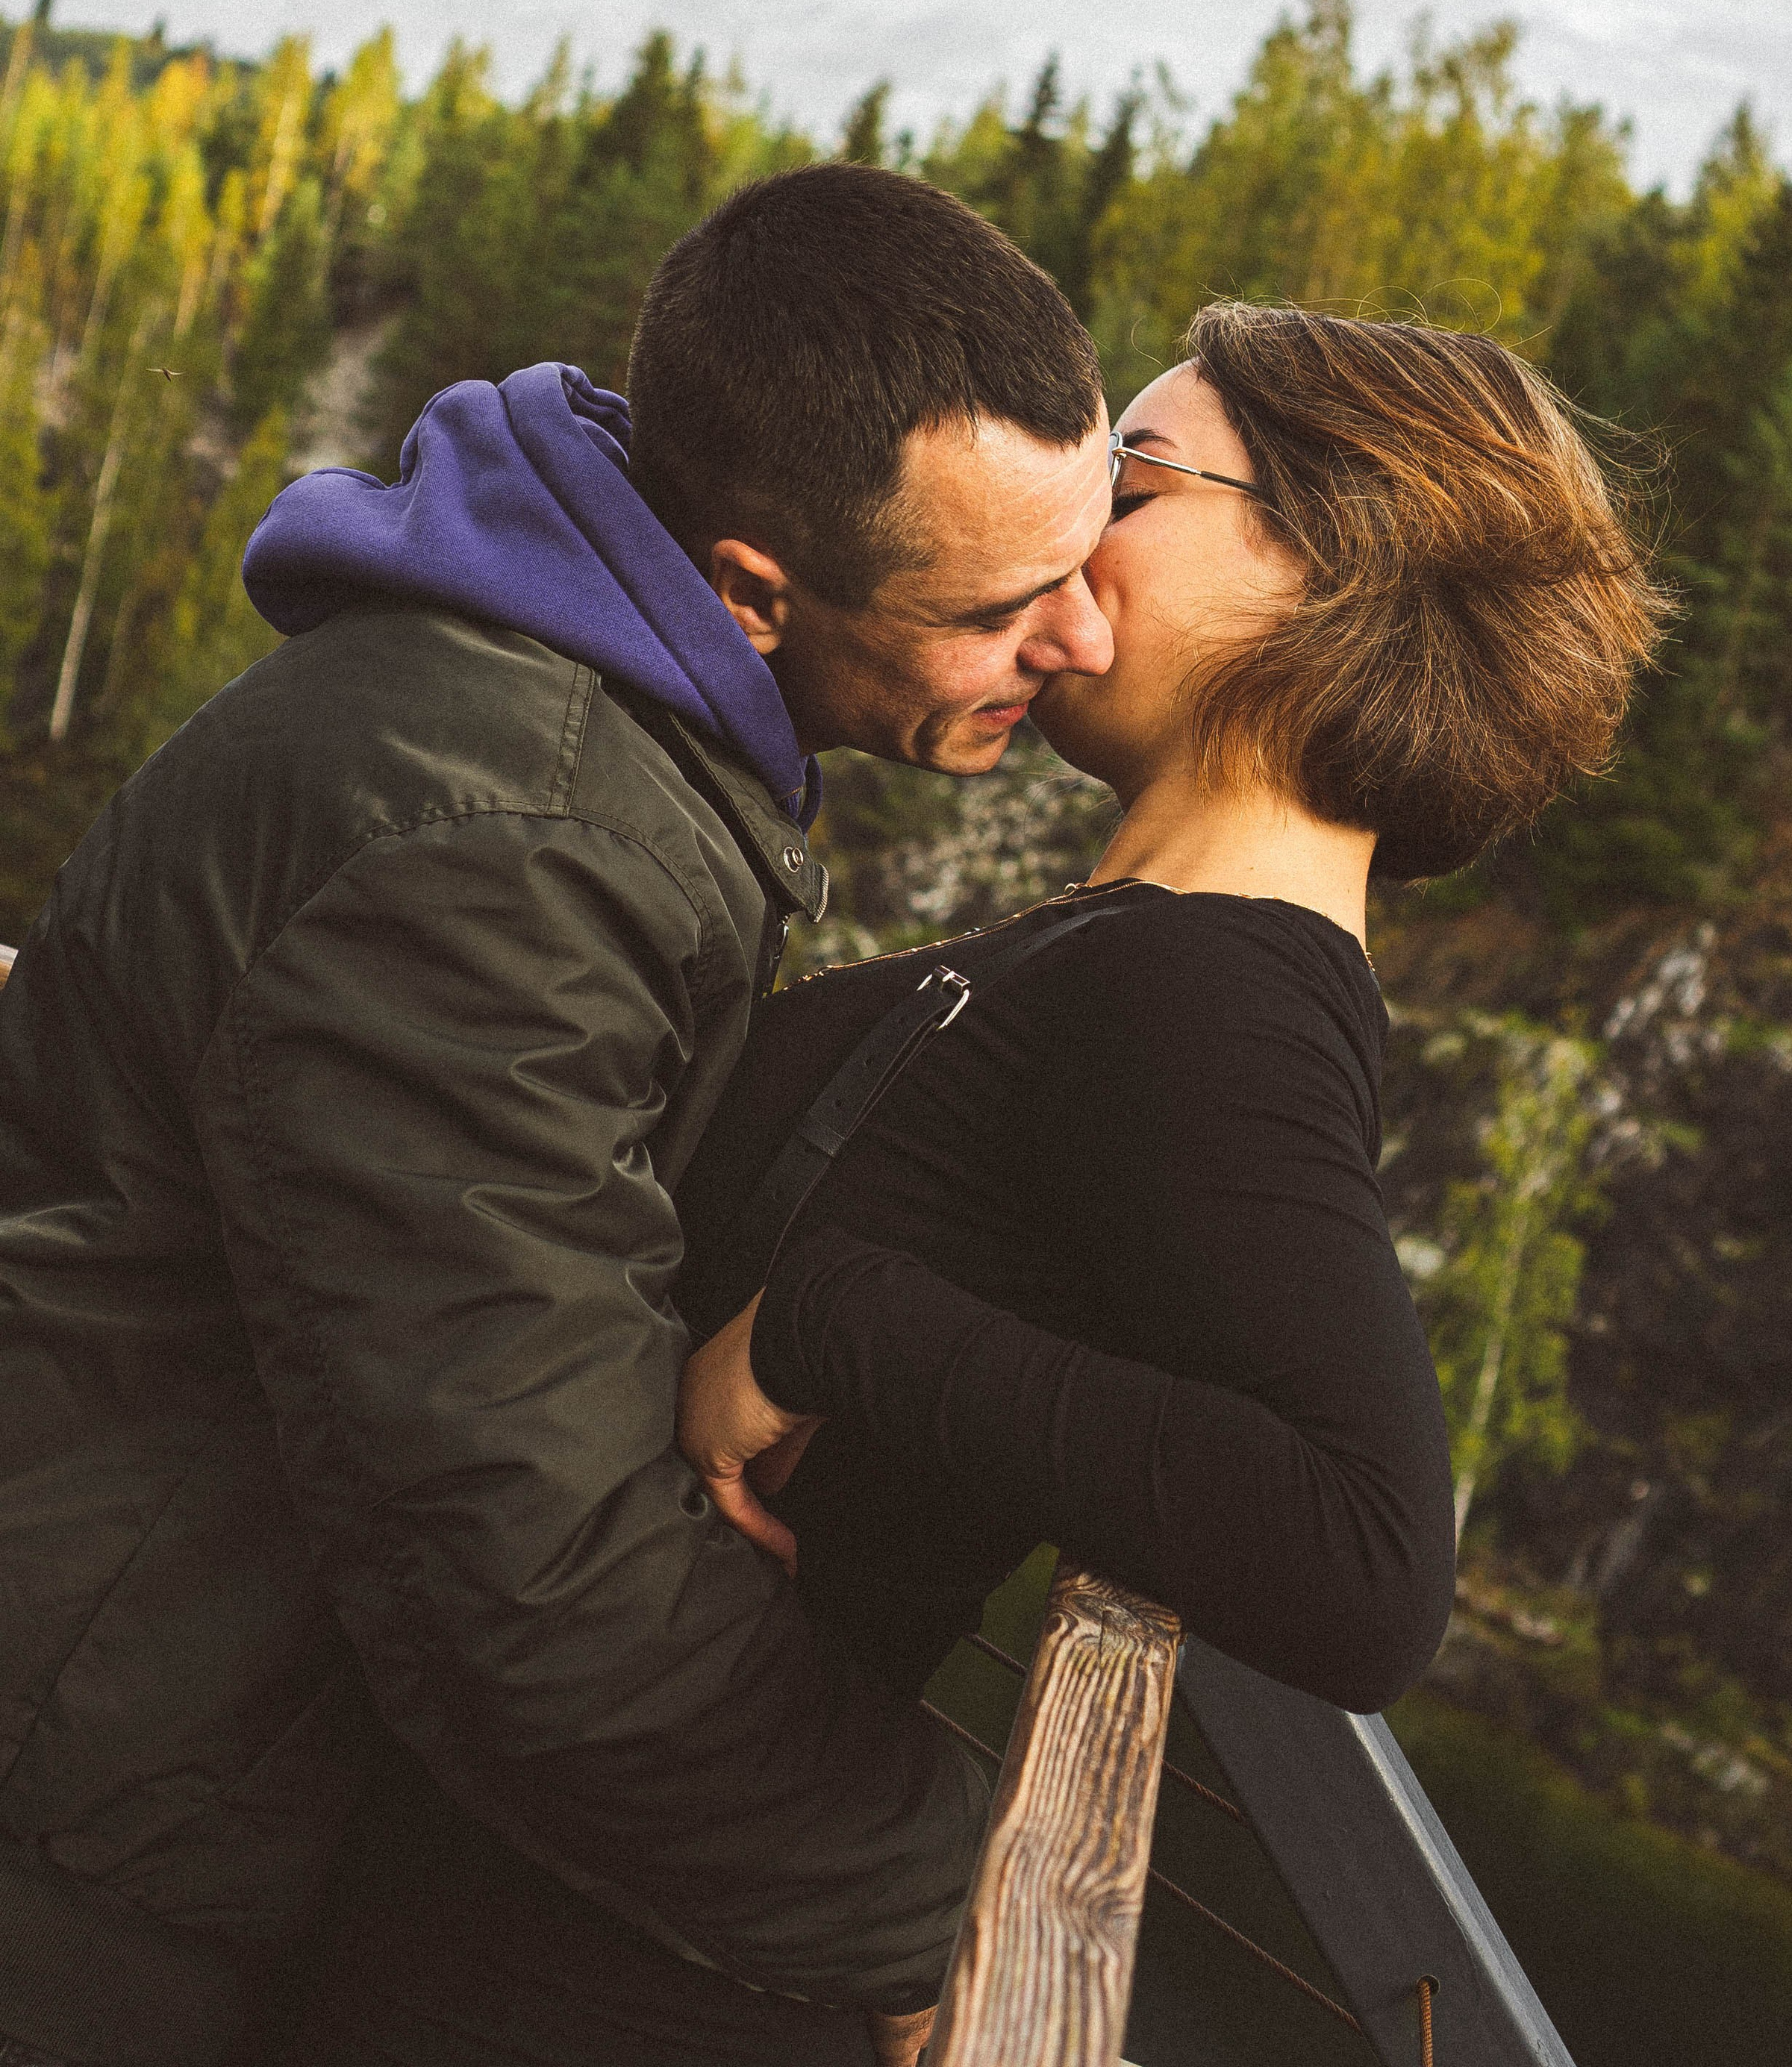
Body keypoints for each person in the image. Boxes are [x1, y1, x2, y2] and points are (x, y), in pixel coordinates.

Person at [0, 165, 1114, 2067]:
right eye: (1007, 602)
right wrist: (952, 1895)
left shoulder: (552, 736)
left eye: (1099, 553)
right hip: (85, 1822)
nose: (1081, 640)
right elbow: (517, 1541)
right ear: (756, 592)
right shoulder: (498, 848)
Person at [674, 304, 1670, 1745]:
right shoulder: (1159, 956)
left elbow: (1366, 1566)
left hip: (623, 1876)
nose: (1066, 532)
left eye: (1128, 488)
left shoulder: (1218, 991)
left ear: (1335, 569)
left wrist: (834, 1325)